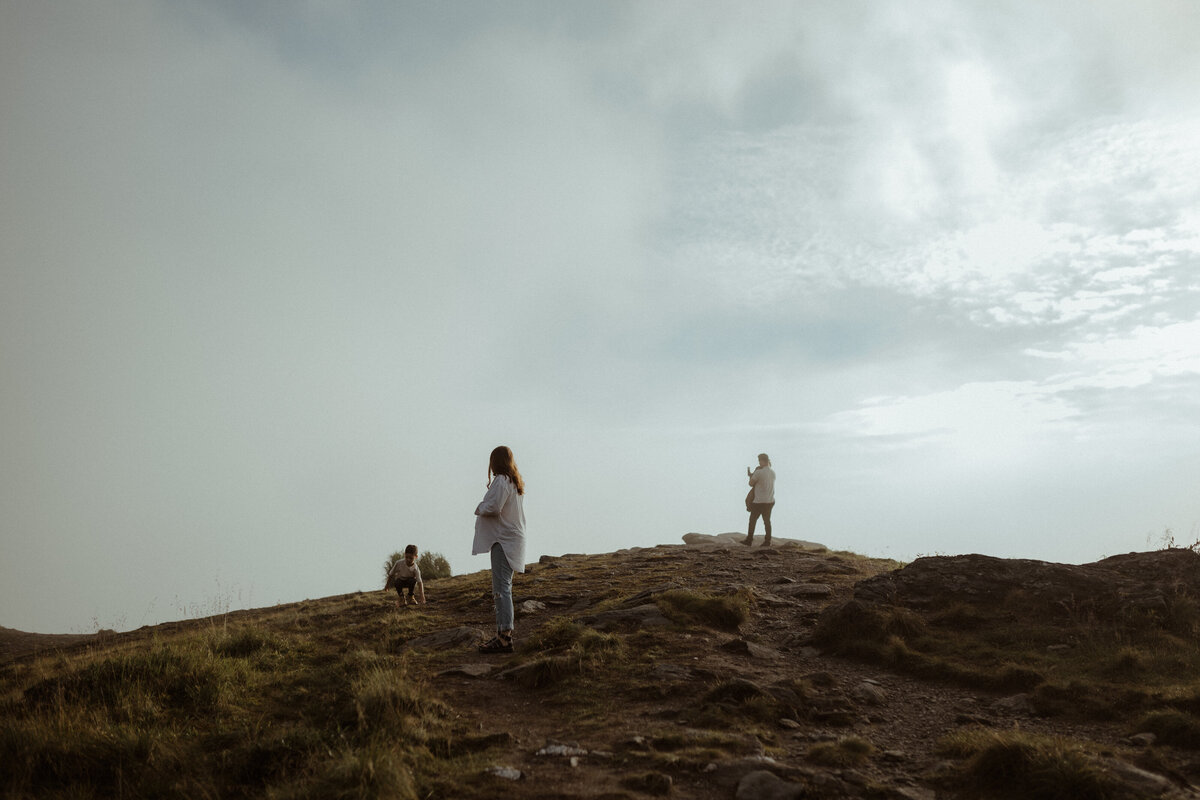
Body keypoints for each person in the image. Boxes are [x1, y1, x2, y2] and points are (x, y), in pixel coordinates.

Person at [472, 445, 526, 654]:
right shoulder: (514, 482)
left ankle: (504, 637)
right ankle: (502, 635)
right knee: (504, 587)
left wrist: (479, 507)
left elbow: (494, 507)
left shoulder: (502, 481)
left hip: (504, 540)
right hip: (508, 539)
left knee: (501, 589)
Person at [742, 453, 776, 547]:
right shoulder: (773, 472)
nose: (759, 463)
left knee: (752, 520)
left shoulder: (759, 472)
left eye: (759, 461)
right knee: (767, 521)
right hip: (770, 501)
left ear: (762, 461)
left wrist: (751, 475)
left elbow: (751, 483)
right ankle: (767, 541)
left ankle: (749, 540)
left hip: (759, 501)